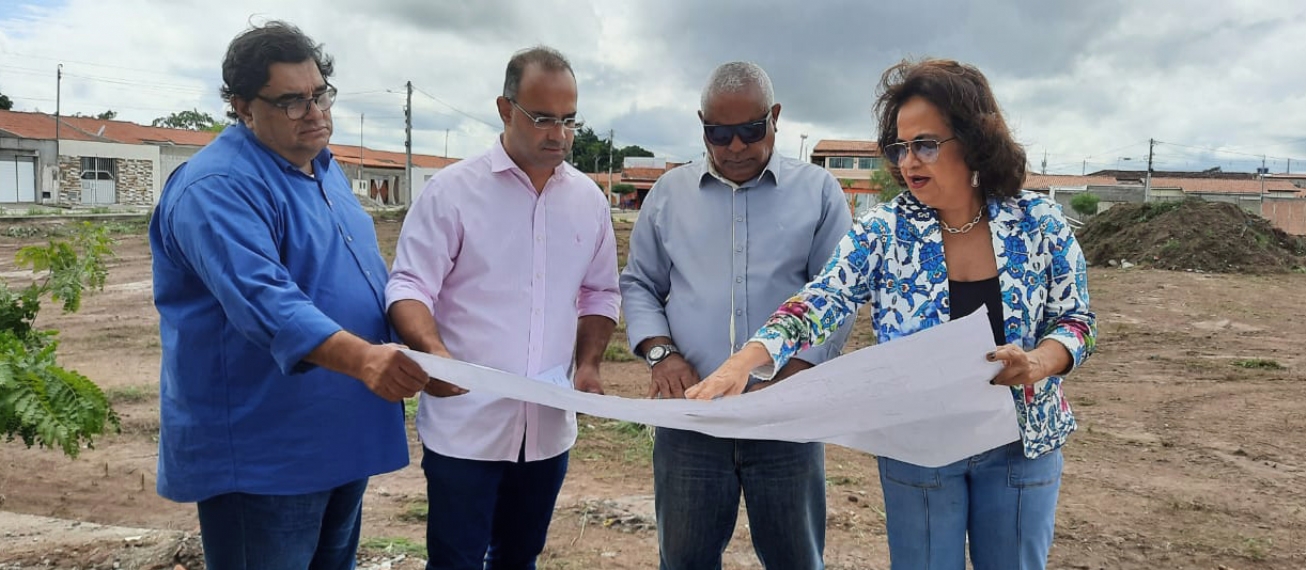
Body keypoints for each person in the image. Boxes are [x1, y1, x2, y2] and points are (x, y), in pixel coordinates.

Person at [688, 58, 1098, 570]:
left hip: (1021, 444)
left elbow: (1076, 321)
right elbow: (822, 299)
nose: (909, 162)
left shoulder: (1039, 222)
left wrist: (1038, 363)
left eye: (925, 144)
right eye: (899, 147)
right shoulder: (884, 230)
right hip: (918, 446)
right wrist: (746, 360)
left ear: (974, 139)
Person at [150, 21, 427, 570]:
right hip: (267, 455)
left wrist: (422, 346)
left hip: (340, 436)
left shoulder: (322, 170)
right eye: (292, 101)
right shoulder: (218, 186)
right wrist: (366, 359)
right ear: (242, 106)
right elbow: (265, 301)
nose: (315, 112)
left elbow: (363, 278)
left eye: (320, 94)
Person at [385, 46, 620, 570]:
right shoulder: (452, 192)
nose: (558, 134)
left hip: (547, 427)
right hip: (466, 424)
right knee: (456, 560)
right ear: (505, 109)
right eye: (543, 118)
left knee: (520, 557)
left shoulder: (588, 200)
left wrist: (588, 365)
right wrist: (433, 353)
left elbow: (600, 293)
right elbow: (409, 286)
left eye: (569, 120)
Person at [620, 61, 854, 570]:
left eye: (750, 130)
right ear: (702, 125)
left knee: (796, 559)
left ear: (775, 117)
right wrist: (661, 354)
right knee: (685, 560)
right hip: (691, 417)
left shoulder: (818, 193)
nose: (735, 147)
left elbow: (836, 295)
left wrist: (794, 375)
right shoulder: (667, 196)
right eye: (718, 134)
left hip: (786, 418)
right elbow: (639, 284)